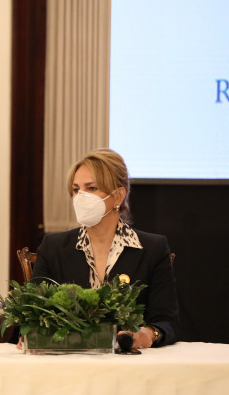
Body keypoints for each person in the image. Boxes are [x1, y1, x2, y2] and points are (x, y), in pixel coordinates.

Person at [22, 149, 179, 349]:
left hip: (127, 359)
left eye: (92, 188)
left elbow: (167, 322)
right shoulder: (53, 247)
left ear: (118, 196)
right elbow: (31, 313)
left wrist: (147, 334)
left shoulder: (152, 249)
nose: (81, 197)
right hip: (67, 359)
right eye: (76, 190)